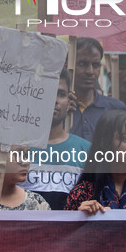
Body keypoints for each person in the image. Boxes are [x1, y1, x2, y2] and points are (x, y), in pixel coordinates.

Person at [19, 68, 90, 209]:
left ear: (69, 102)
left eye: (61, 94)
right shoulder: (15, 148)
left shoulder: (87, 150)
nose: (54, 100)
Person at [69, 38, 126, 142]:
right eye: (83, 64)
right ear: (68, 65)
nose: (90, 71)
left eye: (95, 65)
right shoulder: (59, 109)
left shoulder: (116, 108)